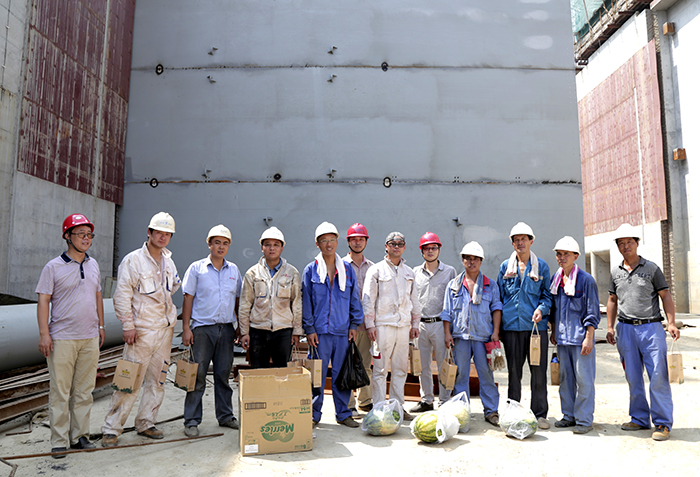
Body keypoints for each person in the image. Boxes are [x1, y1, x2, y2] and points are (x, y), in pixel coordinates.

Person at [102, 212, 181, 447]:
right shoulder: (133, 261)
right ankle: (111, 429)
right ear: (149, 232)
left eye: (167, 234)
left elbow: (173, 286)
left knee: (158, 380)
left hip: (165, 330)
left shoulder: (168, 261)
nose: (163, 237)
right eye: (159, 233)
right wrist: (128, 325)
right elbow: (122, 295)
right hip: (142, 331)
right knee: (129, 380)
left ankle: (146, 422)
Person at [36, 214, 105, 458]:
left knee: (85, 391)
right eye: (81, 234)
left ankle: (79, 437)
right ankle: (58, 440)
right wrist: (44, 334)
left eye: (89, 235)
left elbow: (97, 295)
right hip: (62, 338)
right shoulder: (53, 267)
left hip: (89, 337)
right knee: (60, 392)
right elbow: (43, 301)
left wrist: (101, 326)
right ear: (67, 236)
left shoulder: (93, 265)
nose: (86, 239)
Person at [606, 223, 680, 441]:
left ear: (637, 243)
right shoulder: (615, 272)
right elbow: (612, 300)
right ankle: (639, 418)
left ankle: (662, 423)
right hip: (625, 329)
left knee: (658, 376)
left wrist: (671, 323)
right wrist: (610, 327)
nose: (625, 246)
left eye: (629, 242)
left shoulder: (652, 269)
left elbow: (665, 296)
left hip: (651, 329)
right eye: (621, 243)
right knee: (633, 376)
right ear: (617, 247)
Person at [181, 225, 242, 437]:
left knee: (223, 374)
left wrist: (239, 327)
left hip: (226, 329)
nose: (221, 247)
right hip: (202, 330)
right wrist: (186, 328)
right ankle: (191, 420)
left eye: (225, 243)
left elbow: (237, 300)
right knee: (197, 375)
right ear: (209, 244)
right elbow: (188, 298)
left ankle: (225, 416)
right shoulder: (197, 269)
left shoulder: (233, 271)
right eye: (217, 242)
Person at [302, 222, 364, 427]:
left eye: (332, 240)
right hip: (319, 333)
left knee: (341, 374)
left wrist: (354, 325)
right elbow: (306, 302)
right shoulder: (311, 270)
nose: (328, 244)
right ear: (317, 244)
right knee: (316, 374)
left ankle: (343, 414)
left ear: (337, 242)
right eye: (324, 241)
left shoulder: (346, 269)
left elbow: (354, 299)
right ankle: (313, 414)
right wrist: (309, 328)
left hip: (342, 331)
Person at [497, 222, 553, 429]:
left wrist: (541, 309)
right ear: (512, 244)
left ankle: (540, 414)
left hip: (535, 329)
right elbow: (499, 297)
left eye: (524, 239)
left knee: (538, 372)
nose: (520, 243)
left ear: (531, 241)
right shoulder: (505, 267)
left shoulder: (542, 266)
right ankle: (513, 412)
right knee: (514, 373)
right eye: (516, 240)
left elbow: (547, 296)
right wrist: (498, 329)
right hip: (511, 328)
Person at [442, 241, 502, 426]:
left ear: (481, 261)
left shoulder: (490, 285)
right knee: (461, 375)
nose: (471, 262)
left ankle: (491, 411)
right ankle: (462, 412)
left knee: (486, 374)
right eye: (468, 258)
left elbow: (496, 308)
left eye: (475, 258)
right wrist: (447, 333)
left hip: (483, 337)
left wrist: (496, 332)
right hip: (460, 337)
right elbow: (447, 312)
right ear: (463, 260)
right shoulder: (453, 285)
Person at [363, 231, 421, 420]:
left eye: (400, 244)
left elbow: (414, 300)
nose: (396, 247)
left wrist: (415, 323)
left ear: (404, 247)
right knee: (380, 369)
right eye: (392, 243)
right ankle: (379, 409)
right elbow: (368, 299)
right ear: (386, 246)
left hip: (403, 327)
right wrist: (370, 324)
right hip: (382, 326)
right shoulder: (376, 270)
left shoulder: (409, 272)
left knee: (400, 369)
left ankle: (397, 408)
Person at [548, 236, 600, 434]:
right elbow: (554, 309)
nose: (562, 258)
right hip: (563, 339)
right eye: (559, 254)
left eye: (566, 254)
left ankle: (584, 420)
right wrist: (554, 330)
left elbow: (592, 311)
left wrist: (589, 337)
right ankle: (568, 416)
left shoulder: (586, 281)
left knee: (584, 380)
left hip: (580, 340)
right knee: (565, 380)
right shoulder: (556, 280)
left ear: (576, 256)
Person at [238, 226, 302, 368]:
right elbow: (245, 304)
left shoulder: (292, 273)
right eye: (267, 244)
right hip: (258, 330)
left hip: (284, 331)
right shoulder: (252, 273)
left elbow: (296, 303)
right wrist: (244, 332)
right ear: (262, 247)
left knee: (282, 372)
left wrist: (297, 331)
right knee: (259, 372)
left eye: (276, 245)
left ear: (282, 248)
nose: (271, 248)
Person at [410, 232, 456, 413]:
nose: (430, 251)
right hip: (420, 324)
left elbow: (453, 300)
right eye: (427, 248)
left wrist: (449, 329)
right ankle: (427, 400)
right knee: (423, 365)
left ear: (439, 249)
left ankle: (444, 401)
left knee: (444, 364)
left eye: (433, 248)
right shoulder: (415, 272)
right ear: (421, 251)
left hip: (440, 324)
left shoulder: (450, 272)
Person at [343, 223, 374, 417]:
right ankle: (348, 404)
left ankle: (365, 401)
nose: (357, 242)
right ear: (348, 241)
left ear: (366, 241)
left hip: (366, 325)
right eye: (354, 239)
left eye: (361, 239)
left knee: (365, 365)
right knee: (346, 364)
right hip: (346, 326)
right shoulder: (340, 265)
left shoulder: (372, 267)